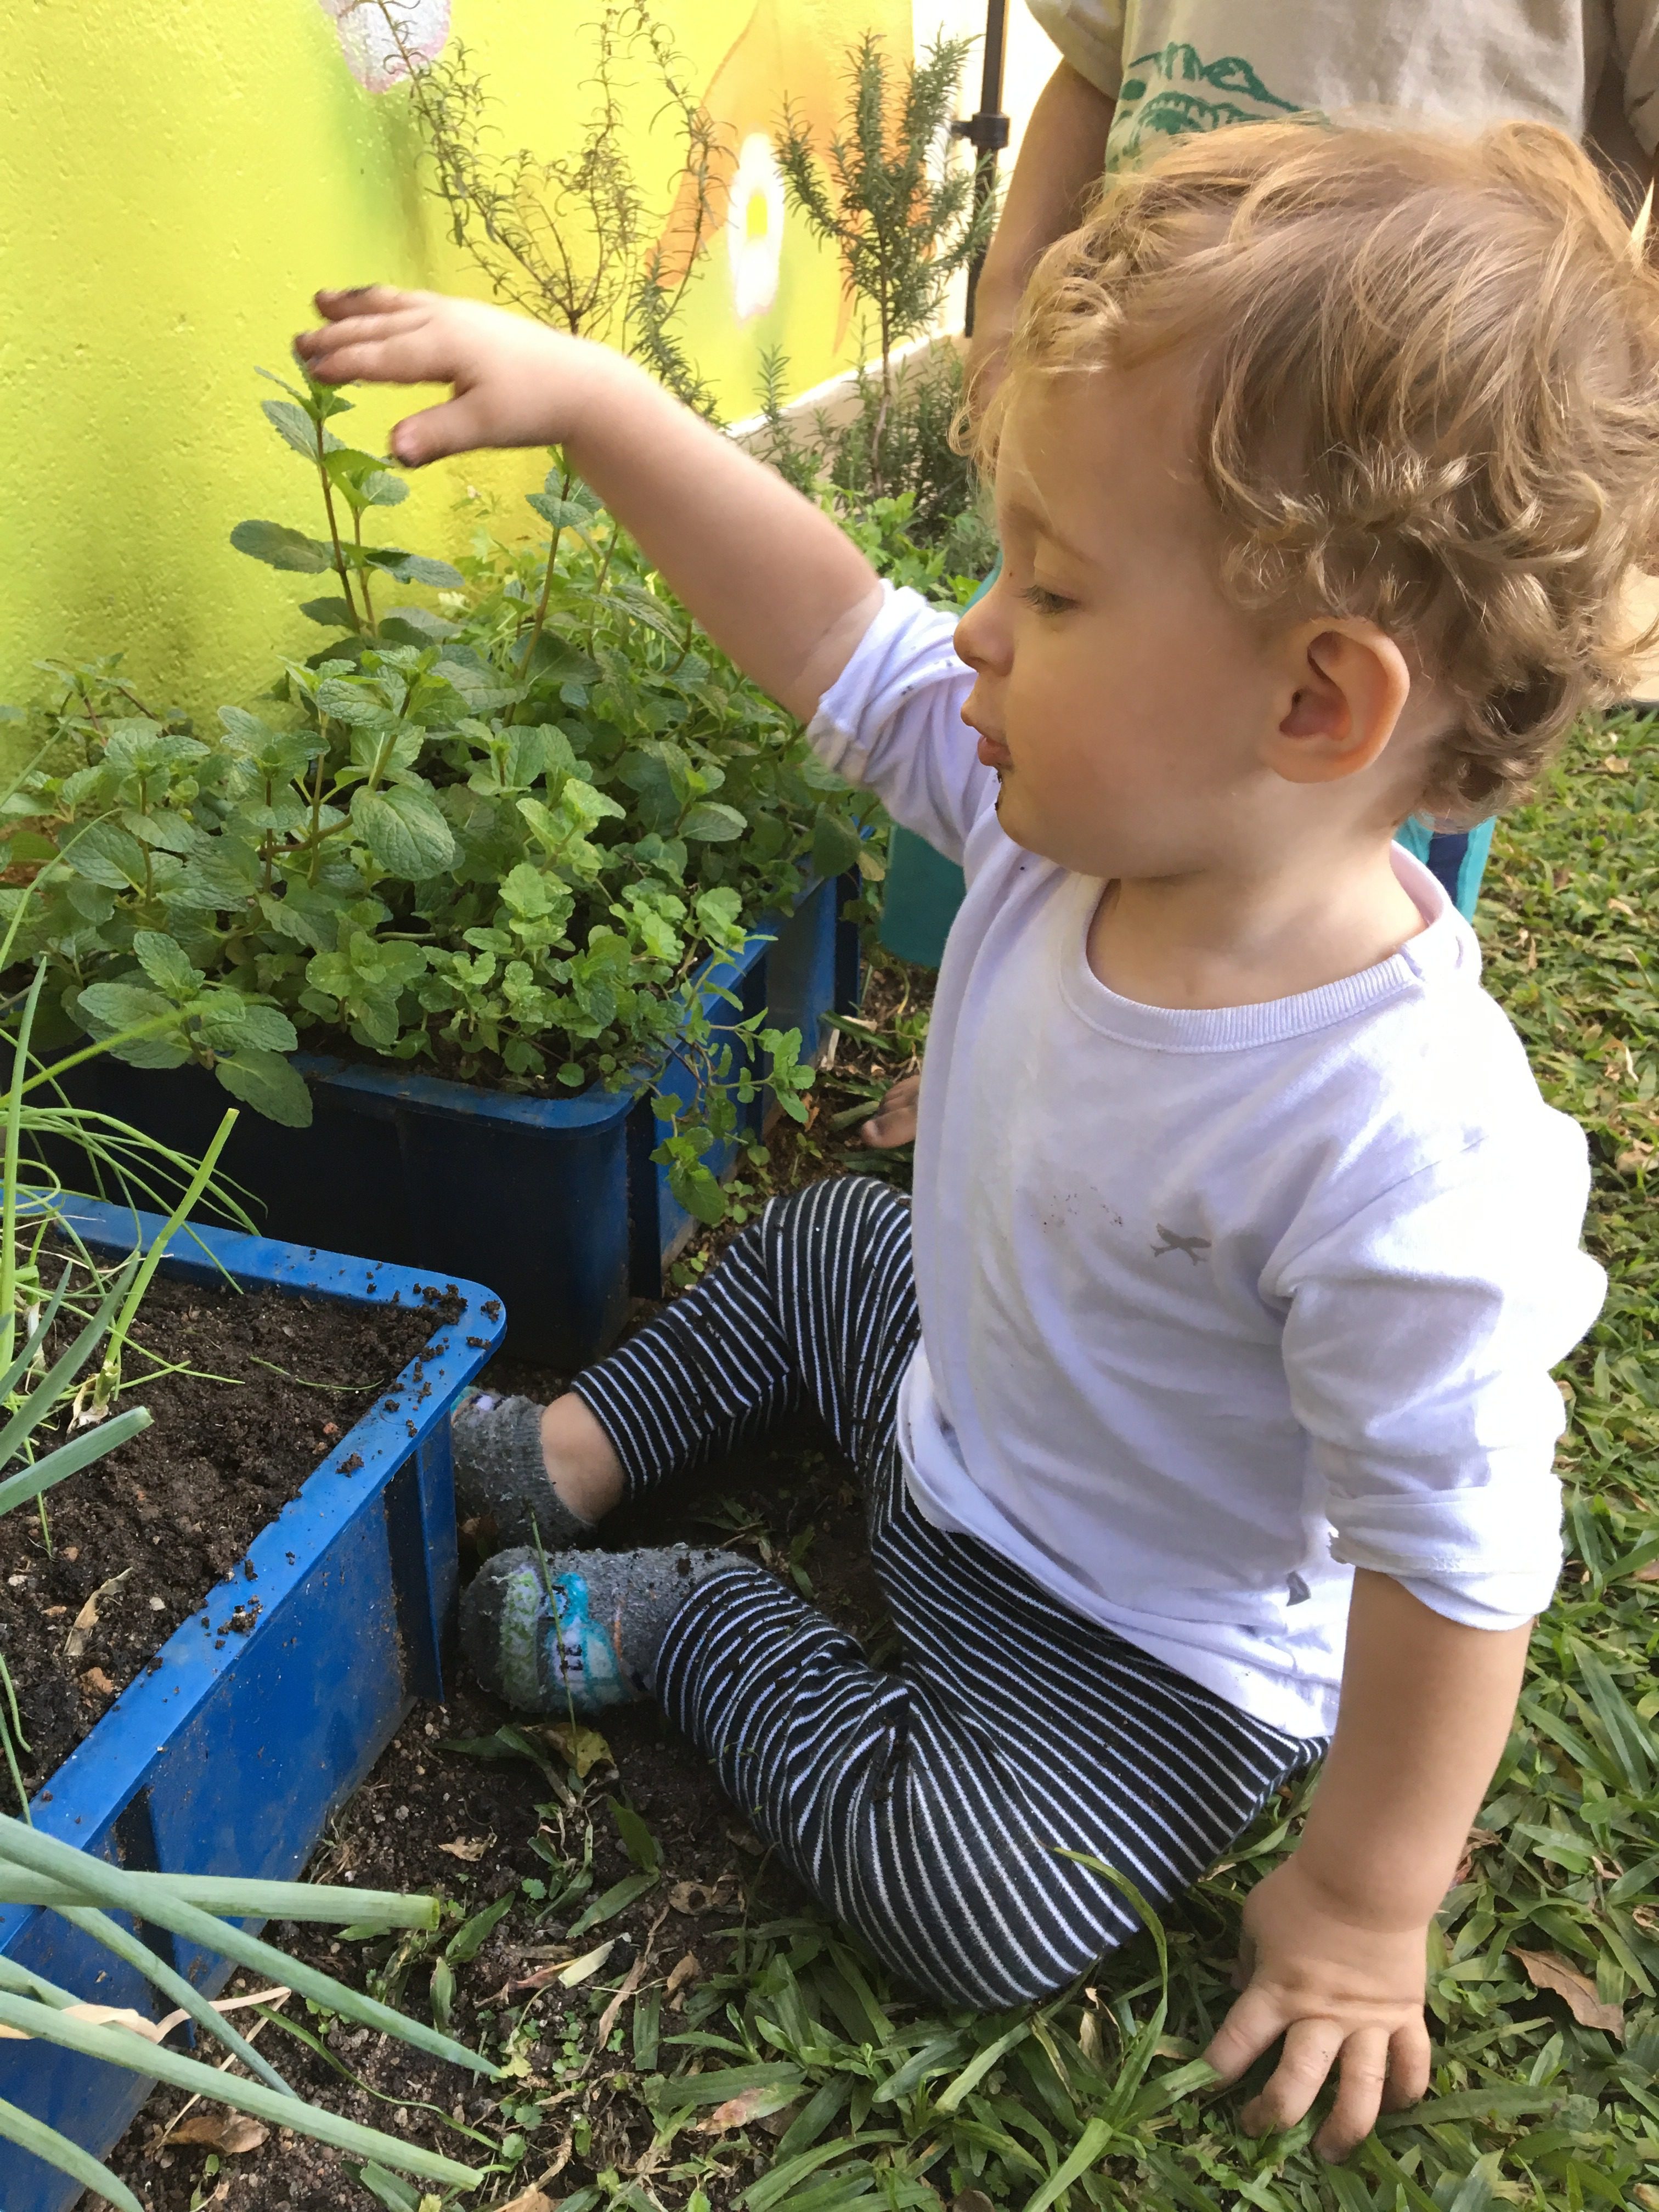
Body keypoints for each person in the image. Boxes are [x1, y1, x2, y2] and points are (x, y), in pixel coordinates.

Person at [293, 115, 1652, 2154]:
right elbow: (831, 627)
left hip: (1132, 1646)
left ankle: (697, 1622)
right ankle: (576, 1449)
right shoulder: (1072, 808)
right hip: (959, 1393)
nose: (980, 634)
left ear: (1315, 708)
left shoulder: (1402, 1153)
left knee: (996, 1901)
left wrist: (1368, 1909)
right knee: (839, 1247)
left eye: (1055, 587)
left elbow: (1461, 1567)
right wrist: (599, 403)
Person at [868, 0, 1659, 1149]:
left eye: (1044, 592)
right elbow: (1092, 69)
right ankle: (1014, 1047)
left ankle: (1249, 1104)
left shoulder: (1422, 1203)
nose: (962, 636)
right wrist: (1008, 320)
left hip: (1413, 465)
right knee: (1053, 778)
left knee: (1321, 865)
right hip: (1139, 416)